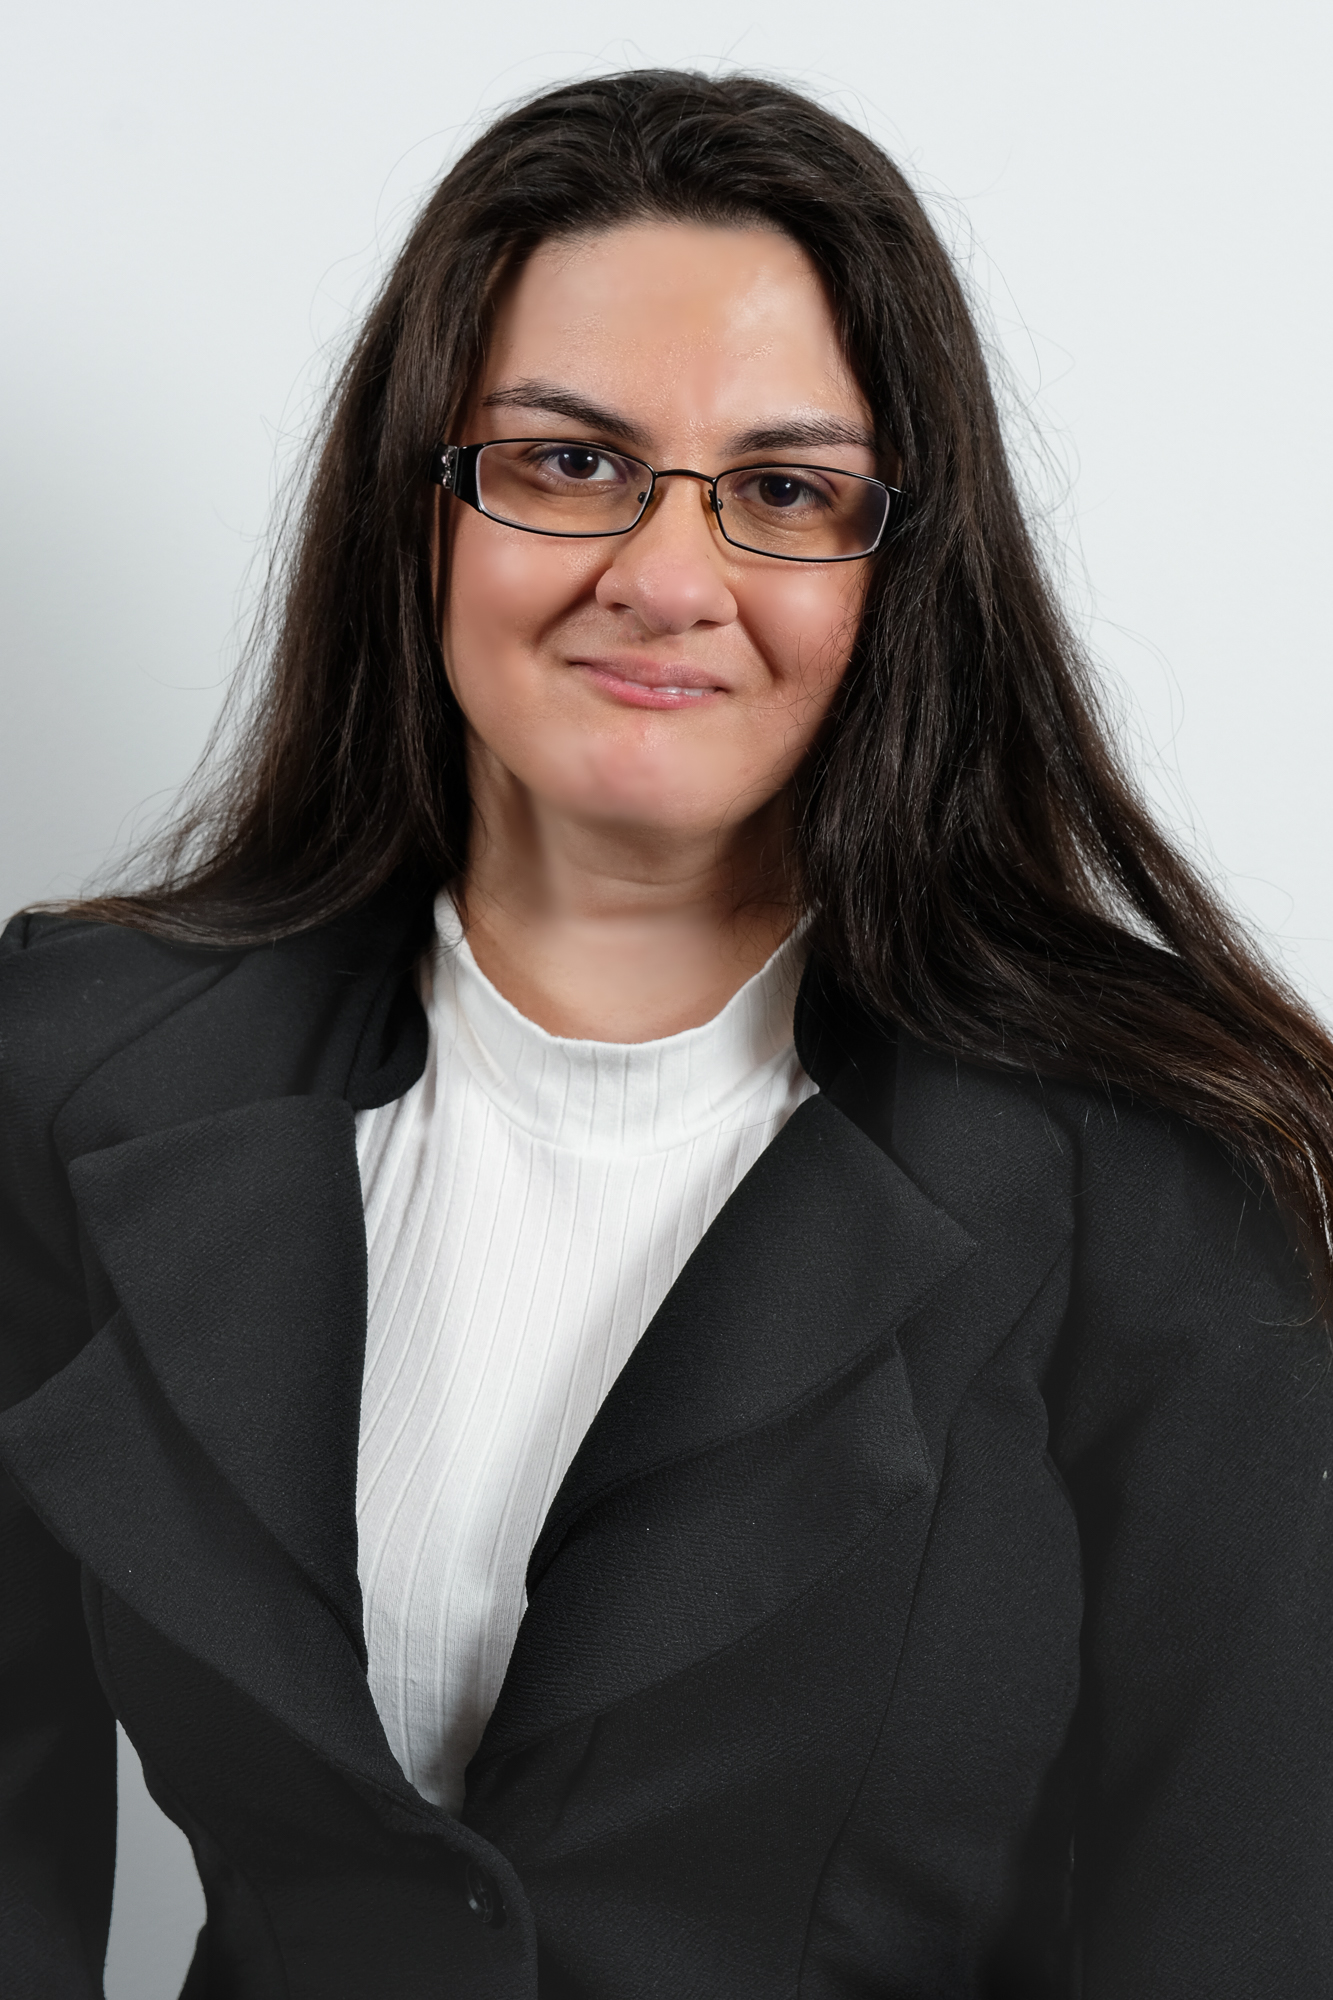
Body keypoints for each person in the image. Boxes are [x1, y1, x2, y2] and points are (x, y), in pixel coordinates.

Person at [2, 67, 1331, 2000]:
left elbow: (1251, 1928)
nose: (668, 577)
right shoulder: (75, 1074)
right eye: (565, 462)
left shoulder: (1157, 1172)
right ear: (421, 504)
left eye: (785, 492)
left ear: (898, 569)